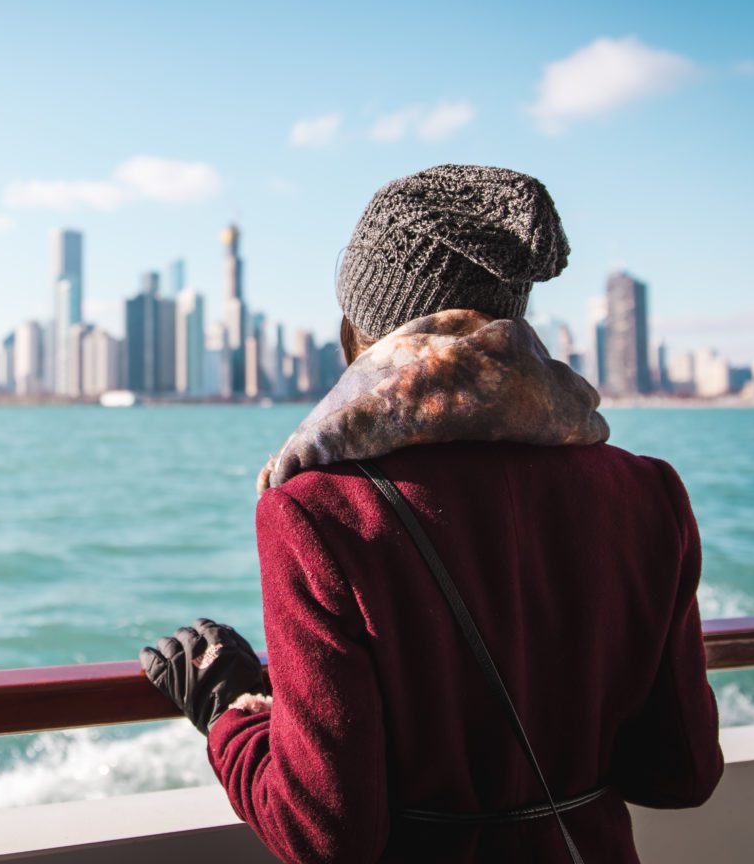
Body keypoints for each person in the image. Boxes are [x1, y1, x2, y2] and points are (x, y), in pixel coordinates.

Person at [141, 164, 723, 864]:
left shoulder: (316, 511)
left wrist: (230, 712)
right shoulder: (647, 492)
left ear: (364, 334)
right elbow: (681, 772)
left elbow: (328, 833)